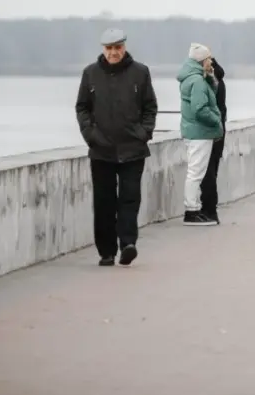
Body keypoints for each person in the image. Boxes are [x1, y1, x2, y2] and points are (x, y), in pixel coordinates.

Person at [75, 28, 158, 266]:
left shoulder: (140, 73)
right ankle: (106, 251)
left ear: (124, 47)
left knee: (130, 199)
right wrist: (90, 135)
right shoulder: (90, 73)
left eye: (118, 48)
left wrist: (144, 132)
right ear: (104, 49)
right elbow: (82, 107)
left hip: (133, 149)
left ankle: (128, 243)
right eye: (110, 48)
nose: (114, 53)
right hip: (101, 150)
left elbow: (150, 106)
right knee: (104, 202)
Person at [177, 43, 224, 226]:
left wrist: (211, 78)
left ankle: (194, 209)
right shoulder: (197, 81)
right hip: (200, 133)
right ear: (202, 60)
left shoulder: (192, 78)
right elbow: (200, 109)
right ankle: (191, 211)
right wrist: (216, 120)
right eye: (209, 58)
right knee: (196, 173)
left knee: (195, 172)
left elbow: (206, 97)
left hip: (194, 131)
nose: (211, 61)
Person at [199, 56, 227, 225]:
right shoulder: (219, 80)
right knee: (212, 172)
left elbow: (205, 108)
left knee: (206, 173)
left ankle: (209, 210)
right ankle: (210, 209)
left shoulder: (210, 82)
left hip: (210, 132)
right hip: (220, 131)